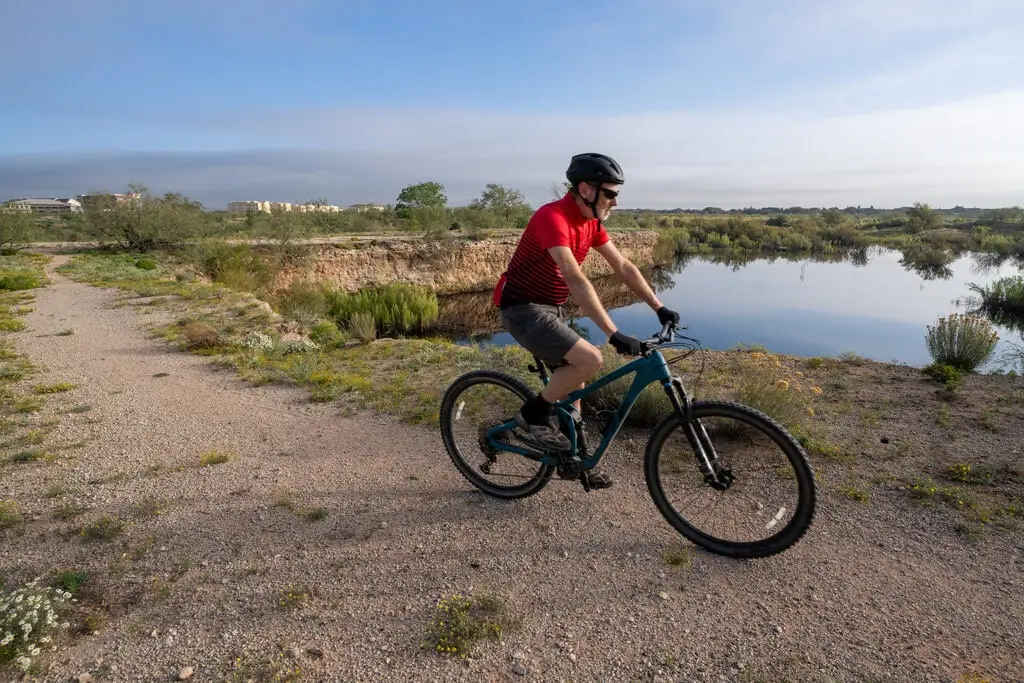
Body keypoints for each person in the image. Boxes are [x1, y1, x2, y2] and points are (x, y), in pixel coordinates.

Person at [492, 152, 679, 489]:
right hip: (522, 308)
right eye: (611, 194)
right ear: (586, 190)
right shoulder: (553, 218)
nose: (616, 202)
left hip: (552, 307)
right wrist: (614, 333)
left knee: (576, 383)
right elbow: (576, 279)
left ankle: (574, 460)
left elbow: (623, 267)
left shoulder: (591, 222)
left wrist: (658, 306)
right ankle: (532, 416)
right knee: (590, 359)